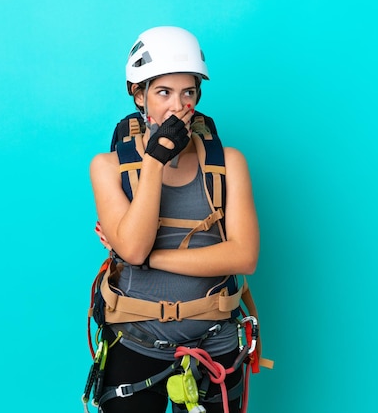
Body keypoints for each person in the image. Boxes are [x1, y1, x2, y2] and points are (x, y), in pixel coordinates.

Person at [89, 26, 260, 413]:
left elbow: (245, 255)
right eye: (163, 92)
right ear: (139, 95)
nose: (177, 106)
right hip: (135, 341)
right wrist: (153, 162)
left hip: (214, 345)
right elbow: (131, 247)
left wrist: (152, 259)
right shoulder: (107, 167)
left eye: (188, 93)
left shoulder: (228, 164)